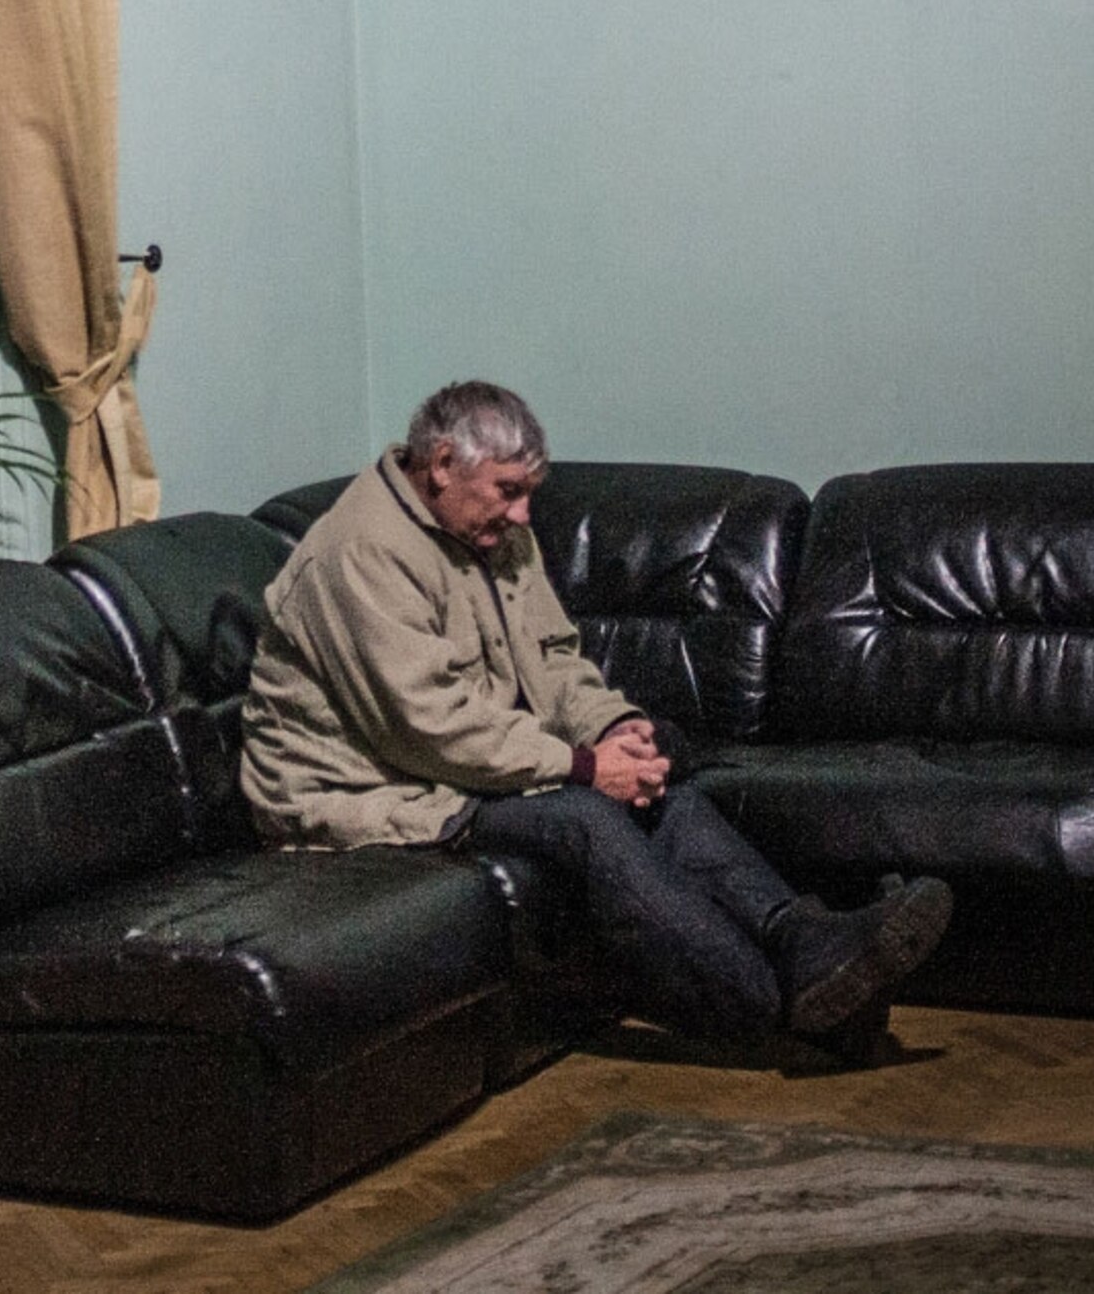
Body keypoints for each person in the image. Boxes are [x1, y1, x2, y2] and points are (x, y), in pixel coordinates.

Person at [241, 380, 953, 1054]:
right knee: (584, 818)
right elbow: (428, 726)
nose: (523, 514)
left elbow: (553, 661)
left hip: (454, 768)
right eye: (508, 492)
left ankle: (805, 941)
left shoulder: (493, 533)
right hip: (368, 793)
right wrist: (581, 767)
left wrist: (609, 730)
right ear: (443, 464)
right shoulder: (363, 552)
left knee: (660, 786)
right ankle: (779, 1005)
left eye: (529, 494)